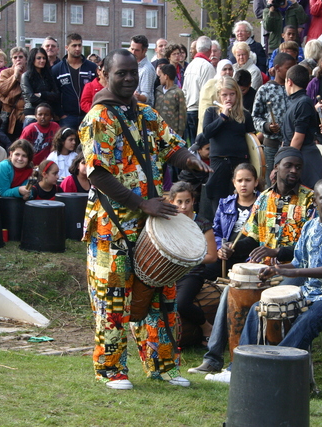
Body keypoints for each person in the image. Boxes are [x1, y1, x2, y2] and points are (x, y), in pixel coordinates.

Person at [80, 48, 211, 390]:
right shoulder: (97, 118)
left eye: (131, 73)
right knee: (113, 300)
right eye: (119, 72)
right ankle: (111, 371)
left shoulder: (146, 112)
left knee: (160, 296)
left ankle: (163, 366)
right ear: (103, 75)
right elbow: (98, 175)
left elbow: (172, 147)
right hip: (112, 224)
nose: (127, 78)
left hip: (148, 225)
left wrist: (191, 159)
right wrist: (143, 203)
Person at [208, 178, 322, 384]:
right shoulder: (310, 226)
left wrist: (296, 273)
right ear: (316, 202)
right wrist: (275, 269)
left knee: (309, 319)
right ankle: (240, 368)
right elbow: (298, 262)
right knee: (259, 308)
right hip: (310, 290)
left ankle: (277, 370)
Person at [189, 148, 315, 377]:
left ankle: (245, 363)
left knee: (263, 299)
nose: (294, 170)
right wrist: (231, 247)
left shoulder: (311, 200)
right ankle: (214, 358)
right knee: (230, 290)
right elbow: (252, 236)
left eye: (298, 166)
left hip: (294, 269)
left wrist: (278, 250)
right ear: (276, 168)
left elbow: (311, 248)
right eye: (289, 166)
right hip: (263, 270)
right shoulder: (265, 197)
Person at [167, 181, 218, 345]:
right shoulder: (167, 222)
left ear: (193, 201)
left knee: (181, 303)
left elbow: (212, 257)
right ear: (172, 202)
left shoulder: (202, 224)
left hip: (192, 274)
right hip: (171, 273)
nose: (183, 206)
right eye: (179, 202)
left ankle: (207, 327)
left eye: (187, 201)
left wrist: (187, 258)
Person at [203, 76, 256, 212]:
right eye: (224, 95)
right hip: (219, 161)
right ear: (219, 96)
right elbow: (207, 133)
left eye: (232, 94)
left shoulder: (244, 114)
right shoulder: (211, 112)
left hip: (239, 161)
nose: (228, 98)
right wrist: (223, 117)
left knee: (239, 196)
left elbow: (252, 138)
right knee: (217, 196)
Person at [252, 53, 296, 187]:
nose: (291, 72)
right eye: (288, 68)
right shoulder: (265, 89)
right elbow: (255, 117)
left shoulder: (295, 89)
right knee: (271, 181)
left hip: (291, 143)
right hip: (271, 143)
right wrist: (266, 126)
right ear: (277, 68)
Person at [282, 64, 322, 189]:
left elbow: (298, 137)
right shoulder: (295, 101)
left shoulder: (303, 102)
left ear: (289, 81)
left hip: (304, 159)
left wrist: (287, 160)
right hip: (296, 155)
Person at [51, 33, 98, 130]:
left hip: (89, 114)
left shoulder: (92, 67)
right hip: (67, 117)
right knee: (67, 144)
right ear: (67, 47)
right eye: (74, 45)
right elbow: (54, 94)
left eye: (79, 45)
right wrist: (61, 114)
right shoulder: (57, 69)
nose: (77, 48)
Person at [182, 36, 215, 143]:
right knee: (203, 146)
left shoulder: (190, 65)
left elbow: (184, 90)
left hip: (189, 109)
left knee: (193, 144)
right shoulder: (207, 67)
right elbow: (208, 92)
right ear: (210, 49)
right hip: (201, 111)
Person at [22, 47, 60, 127]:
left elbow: (57, 95)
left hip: (48, 115)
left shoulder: (49, 76)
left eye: (44, 58)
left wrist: (41, 94)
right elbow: (31, 97)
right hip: (32, 114)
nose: (42, 60)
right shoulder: (26, 76)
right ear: (32, 59)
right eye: (38, 58)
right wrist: (48, 99)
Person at [196, 59, 234, 136]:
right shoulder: (211, 84)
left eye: (230, 69)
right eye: (224, 69)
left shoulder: (233, 84)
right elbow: (204, 109)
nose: (227, 72)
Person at [0, 47, 28, 138]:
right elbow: (2, 90)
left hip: (25, 113)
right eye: (15, 57)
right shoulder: (5, 73)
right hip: (10, 114)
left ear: (26, 59)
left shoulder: (30, 73)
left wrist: (9, 94)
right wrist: (15, 75)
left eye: (20, 57)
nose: (18, 59)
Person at [154, 64, 186, 138]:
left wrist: (180, 132)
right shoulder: (158, 90)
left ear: (166, 76)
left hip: (172, 130)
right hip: (158, 129)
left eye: (160, 76)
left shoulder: (178, 92)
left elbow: (182, 113)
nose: (159, 78)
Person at [129, 35, 157, 106]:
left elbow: (146, 96)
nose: (133, 52)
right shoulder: (131, 64)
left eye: (137, 50)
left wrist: (137, 96)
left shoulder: (147, 69)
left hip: (142, 111)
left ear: (145, 50)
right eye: (132, 49)